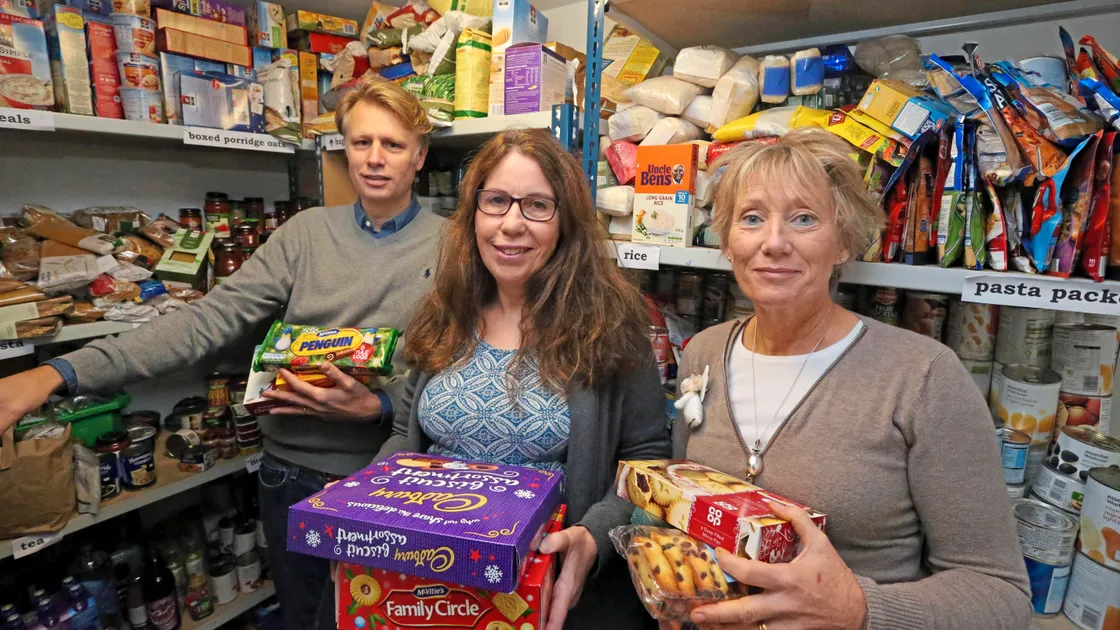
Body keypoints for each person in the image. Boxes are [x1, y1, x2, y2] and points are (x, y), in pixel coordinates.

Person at [0, 77, 444, 630]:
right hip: (294, 476)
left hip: (388, 473)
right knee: (307, 619)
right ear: (344, 148)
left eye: (393, 145)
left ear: (420, 156)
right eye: (360, 143)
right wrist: (57, 371)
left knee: (387, 619)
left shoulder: (456, 247)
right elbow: (204, 322)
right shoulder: (304, 234)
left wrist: (379, 409)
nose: (374, 159)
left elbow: (456, 370)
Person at [673, 129, 1031, 630]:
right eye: (751, 218)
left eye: (803, 219)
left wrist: (860, 609)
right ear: (727, 240)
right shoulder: (703, 353)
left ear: (843, 241)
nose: (774, 243)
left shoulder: (923, 377)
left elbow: (1004, 598)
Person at [339, 128, 671, 630]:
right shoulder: (443, 311)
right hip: (421, 586)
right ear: (473, 211)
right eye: (496, 201)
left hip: (539, 592)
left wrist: (595, 535)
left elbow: (647, 459)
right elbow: (401, 436)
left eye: (537, 205)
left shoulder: (611, 325)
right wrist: (360, 501)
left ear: (567, 222)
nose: (511, 224)